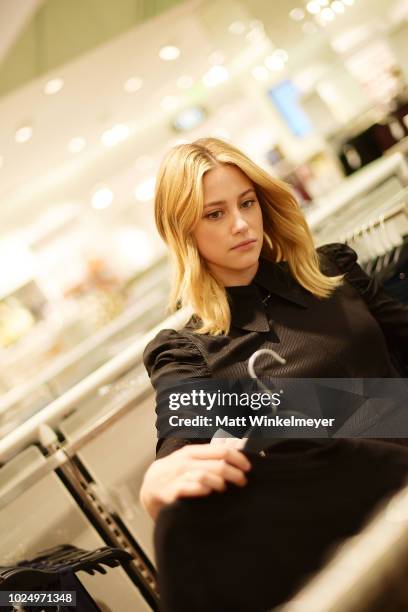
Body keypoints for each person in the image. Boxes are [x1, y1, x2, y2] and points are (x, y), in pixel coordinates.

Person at [139, 137, 408, 522]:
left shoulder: (331, 270)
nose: (240, 224)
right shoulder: (190, 354)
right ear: (184, 232)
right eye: (215, 214)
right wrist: (156, 486)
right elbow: (177, 457)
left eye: (247, 203)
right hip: (363, 530)